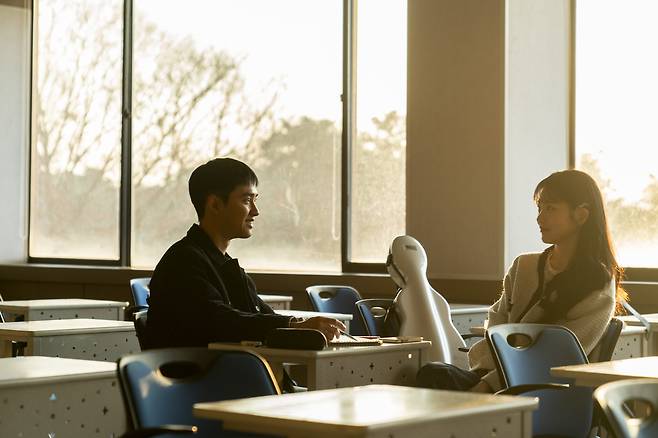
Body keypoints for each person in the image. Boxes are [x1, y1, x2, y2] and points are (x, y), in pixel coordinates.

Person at [417, 169, 625, 392]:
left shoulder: (598, 285)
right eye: (539, 208)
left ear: (581, 215)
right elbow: (496, 326)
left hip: (547, 391)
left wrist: (487, 386)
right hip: (496, 376)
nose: (540, 218)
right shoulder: (523, 266)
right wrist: (485, 378)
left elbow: (556, 358)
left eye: (551, 208)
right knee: (434, 374)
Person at [145, 157, 345, 350]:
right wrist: (293, 325)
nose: (255, 211)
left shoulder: (225, 265)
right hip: (199, 372)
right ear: (215, 204)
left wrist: (299, 325)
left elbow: (260, 316)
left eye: (255, 200)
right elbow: (222, 321)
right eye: (247, 200)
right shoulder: (182, 262)